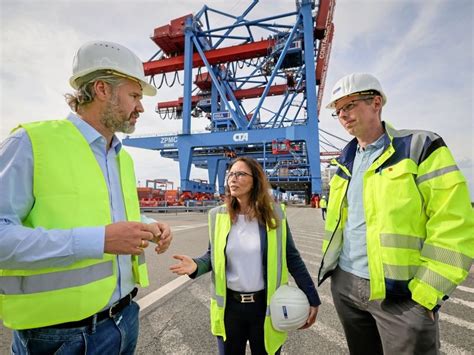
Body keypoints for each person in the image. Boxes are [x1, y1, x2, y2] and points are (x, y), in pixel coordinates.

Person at [0, 40, 173, 354]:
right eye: (134, 95)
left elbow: (103, 216)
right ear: (102, 89)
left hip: (125, 318)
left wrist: (148, 224)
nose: (141, 107)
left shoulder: (122, 158)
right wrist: (98, 241)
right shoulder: (30, 142)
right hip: (58, 337)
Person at [318, 72, 473, 354]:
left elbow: (455, 223)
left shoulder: (420, 147)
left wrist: (427, 294)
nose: (343, 115)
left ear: (376, 102)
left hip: (402, 295)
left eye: (350, 105)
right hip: (346, 287)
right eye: (338, 111)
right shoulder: (344, 161)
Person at [170, 157, 320, 355]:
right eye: (231, 174)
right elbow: (212, 256)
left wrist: (312, 297)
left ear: (255, 180)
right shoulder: (218, 216)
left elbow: (292, 258)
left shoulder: (275, 215)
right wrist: (196, 266)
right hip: (230, 310)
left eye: (240, 174)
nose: (233, 179)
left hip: (264, 308)